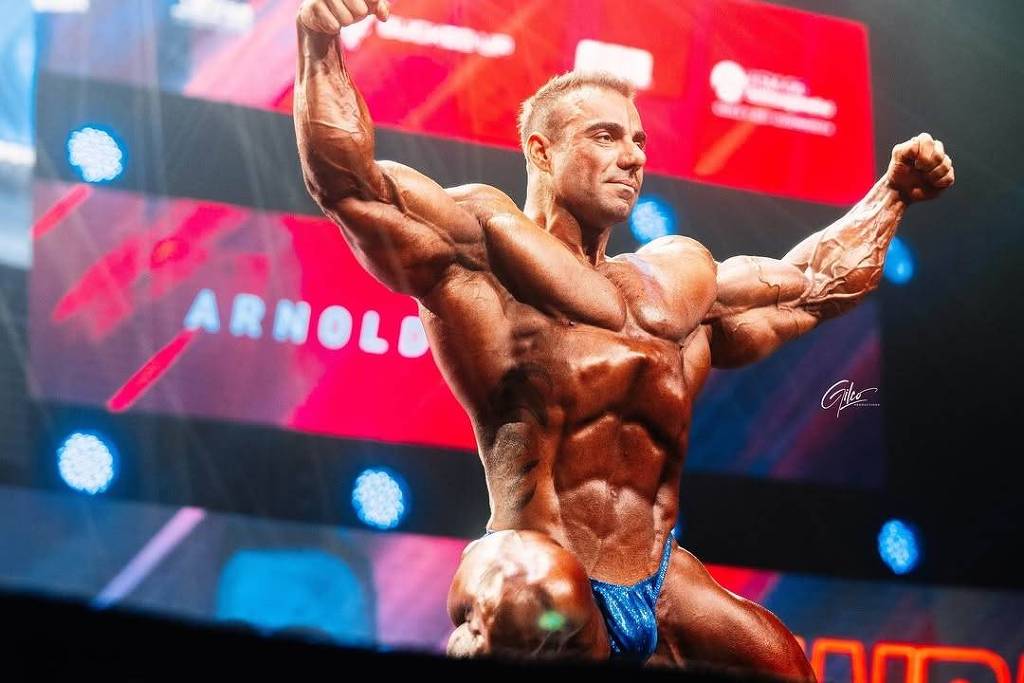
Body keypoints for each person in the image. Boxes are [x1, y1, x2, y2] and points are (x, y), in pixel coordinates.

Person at [293, 0, 954, 675]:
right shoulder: (484, 253)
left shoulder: (679, 287)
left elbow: (814, 286)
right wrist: (318, 40)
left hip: (658, 577)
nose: (633, 158)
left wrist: (893, 193)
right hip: (535, 556)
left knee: (779, 663)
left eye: (638, 142)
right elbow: (352, 186)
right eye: (606, 136)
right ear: (542, 150)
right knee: (534, 599)